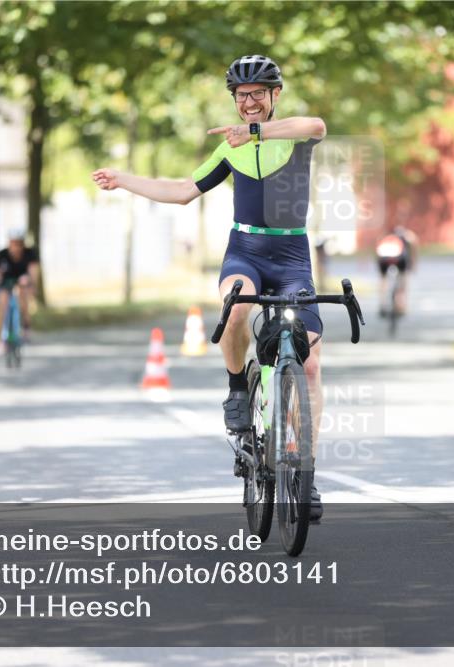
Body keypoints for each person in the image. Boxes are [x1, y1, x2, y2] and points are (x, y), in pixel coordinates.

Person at [93, 54, 327, 518]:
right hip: (246, 252)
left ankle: (306, 477)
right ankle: (238, 387)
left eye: (258, 94)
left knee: (313, 364)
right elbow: (182, 191)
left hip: (293, 256)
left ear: (275, 95)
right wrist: (124, 180)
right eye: (242, 97)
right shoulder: (229, 148)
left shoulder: (291, 135)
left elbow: (316, 124)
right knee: (237, 306)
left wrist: (256, 133)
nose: (250, 103)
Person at [0, 228, 39, 341]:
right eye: (13, 243)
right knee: (2, 303)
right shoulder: (1, 255)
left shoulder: (30, 253)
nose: (16, 247)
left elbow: (33, 272)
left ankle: (25, 325)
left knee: (22, 297)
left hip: (23, 282)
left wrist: (32, 283)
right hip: (6, 282)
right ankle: (1, 337)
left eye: (19, 244)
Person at [375, 225, 417, 316]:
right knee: (403, 278)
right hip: (400, 259)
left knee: (383, 280)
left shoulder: (385, 235)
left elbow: (378, 248)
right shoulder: (408, 236)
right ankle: (401, 305)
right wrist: (413, 265)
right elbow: (413, 250)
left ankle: (382, 304)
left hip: (384, 258)